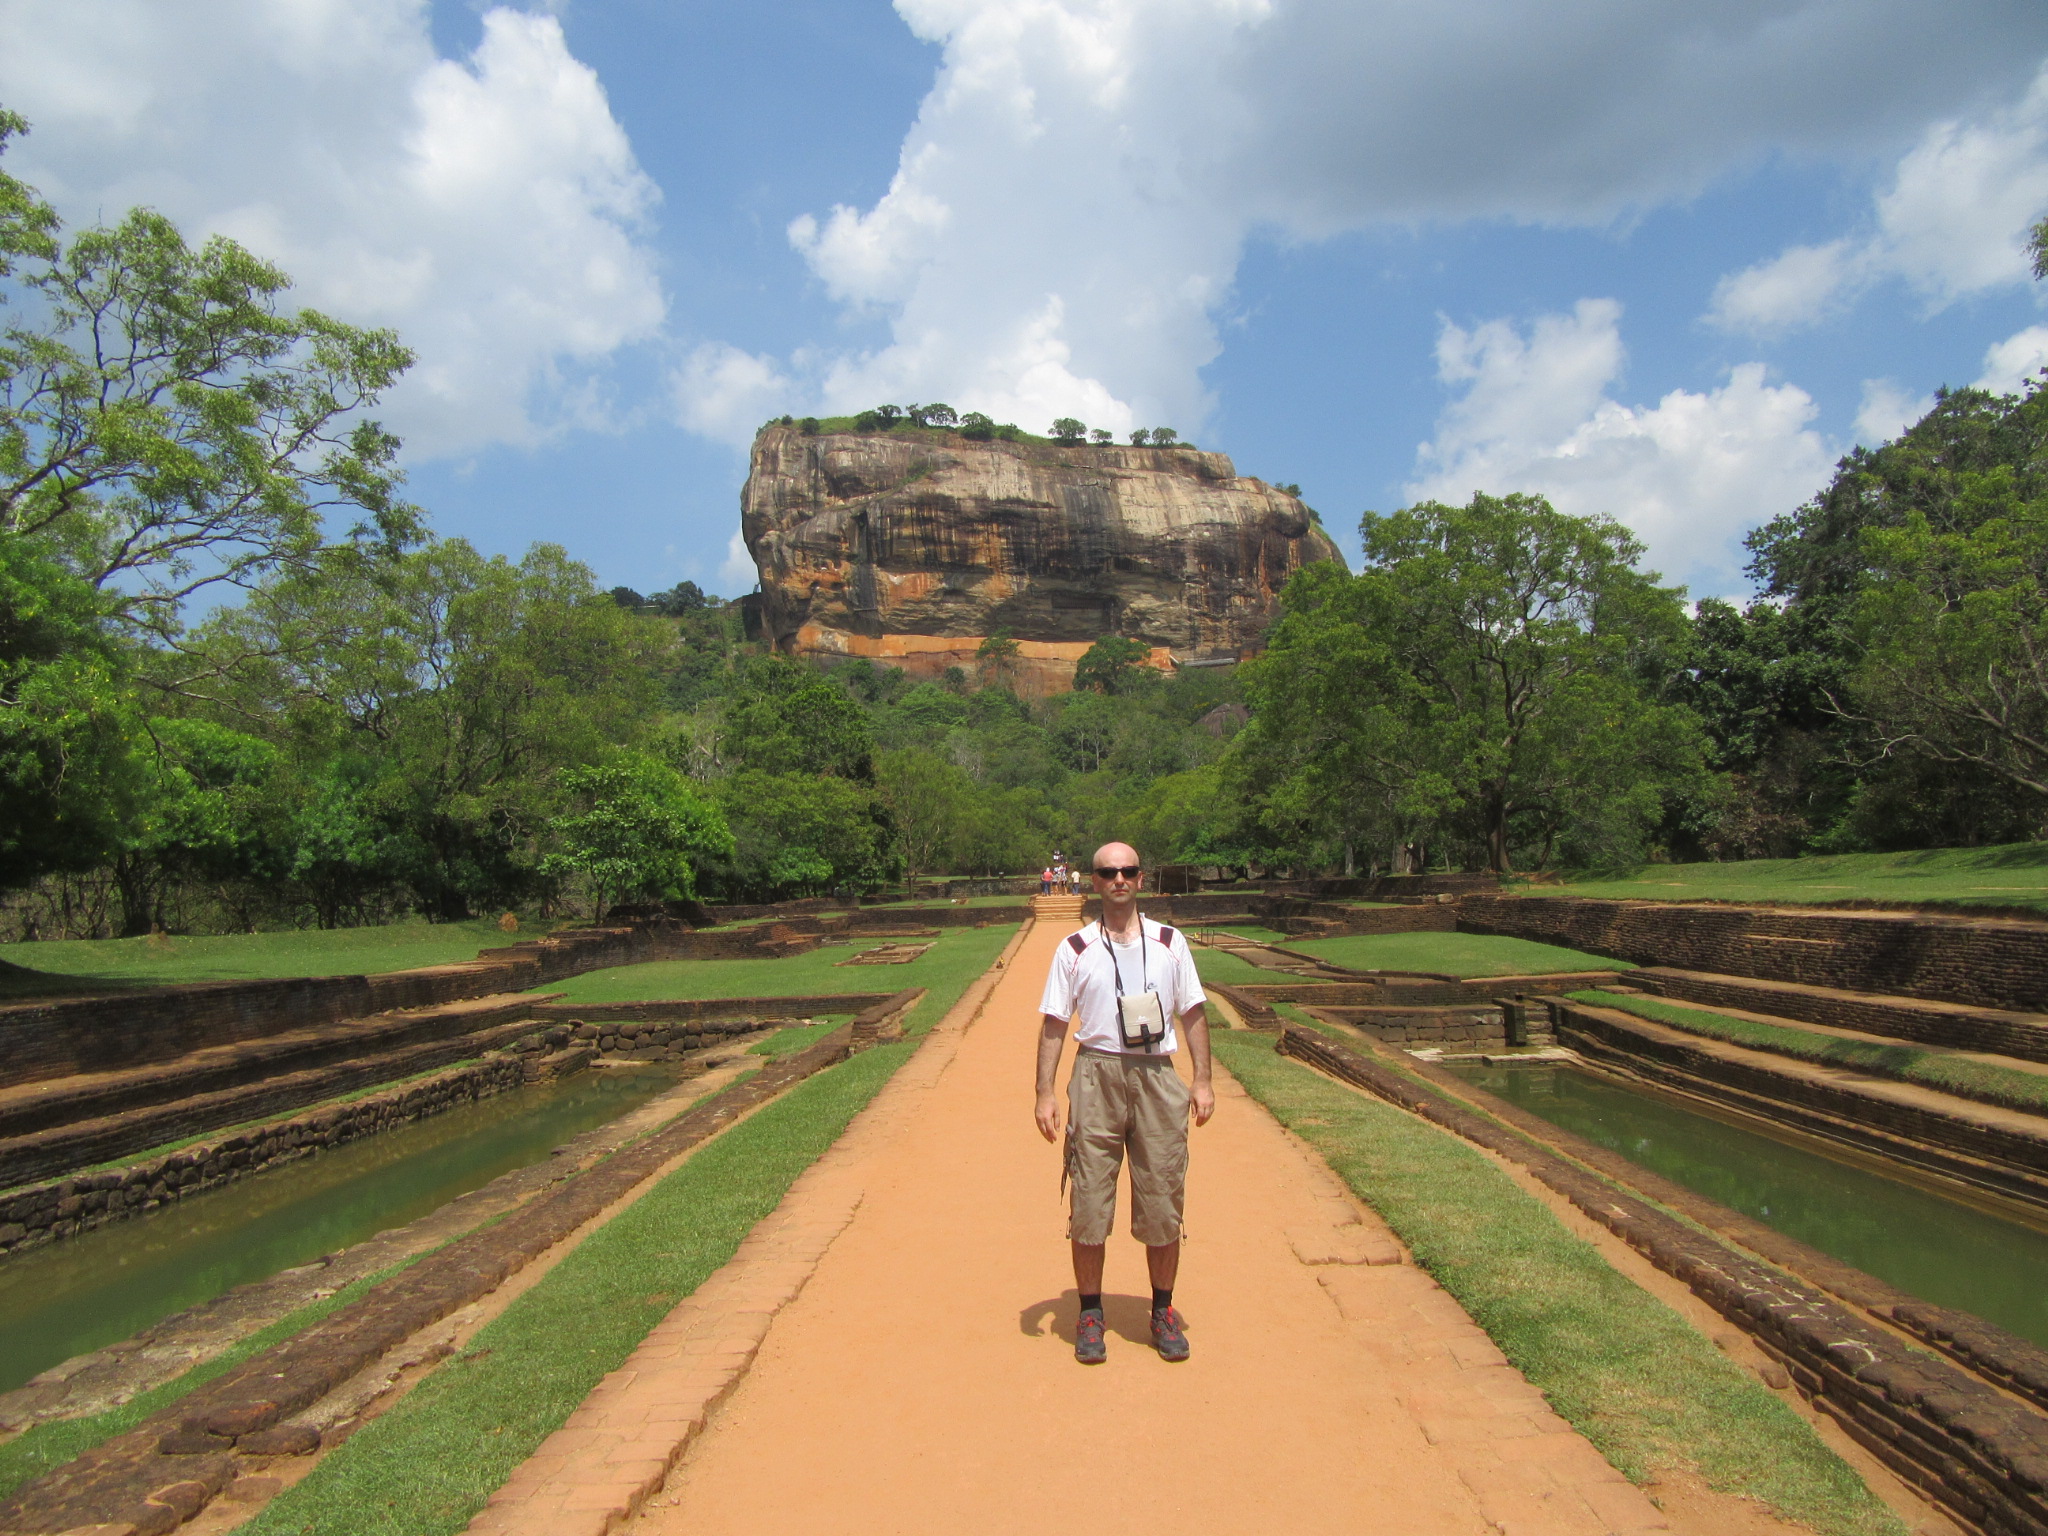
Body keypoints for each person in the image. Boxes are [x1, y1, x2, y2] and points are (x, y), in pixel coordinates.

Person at [1034, 841, 1214, 1363]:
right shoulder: (1074, 948)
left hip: (1158, 1074)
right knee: (1089, 1196)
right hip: (1096, 1073)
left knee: (1162, 1194)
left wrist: (1202, 1080)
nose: (1119, 879)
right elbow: (1054, 1022)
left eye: (1128, 871)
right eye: (1108, 872)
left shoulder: (1169, 942)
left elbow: (1193, 1011)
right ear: (1093, 881)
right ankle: (1090, 1311)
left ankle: (1163, 1308)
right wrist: (1044, 1090)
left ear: (1141, 879)